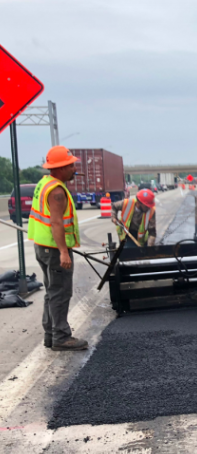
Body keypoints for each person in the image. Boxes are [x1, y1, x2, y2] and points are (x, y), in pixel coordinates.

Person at [27, 146, 88, 351]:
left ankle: (50, 334)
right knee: (60, 292)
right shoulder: (57, 191)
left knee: (51, 292)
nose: (74, 168)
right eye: (71, 165)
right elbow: (56, 223)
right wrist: (63, 251)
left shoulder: (45, 183)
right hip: (54, 249)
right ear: (60, 168)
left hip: (43, 246)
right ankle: (61, 337)